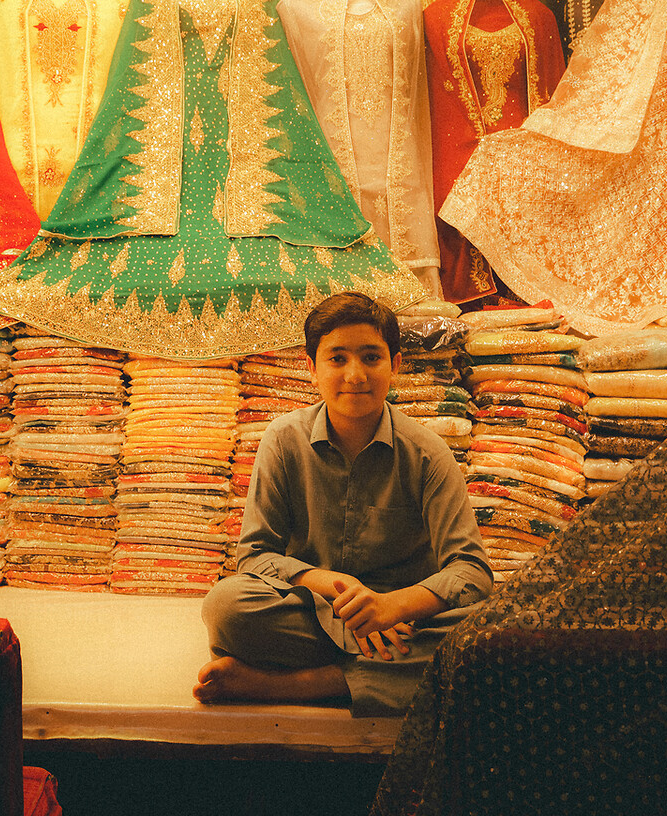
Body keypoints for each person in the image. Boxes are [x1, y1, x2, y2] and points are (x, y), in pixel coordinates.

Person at [195, 292, 492, 716]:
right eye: (337, 359)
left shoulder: (427, 453)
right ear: (312, 367)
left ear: (395, 364)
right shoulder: (284, 440)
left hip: (400, 618)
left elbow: (472, 570)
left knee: (484, 630)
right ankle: (383, 675)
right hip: (315, 609)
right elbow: (255, 556)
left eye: (371, 357)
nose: (355, 375)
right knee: (227, 607)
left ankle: (295, 684)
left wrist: (390, 607)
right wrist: (333, 586)